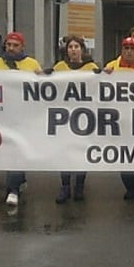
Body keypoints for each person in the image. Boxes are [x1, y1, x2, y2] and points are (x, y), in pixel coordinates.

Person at [0, 31, 43, 207]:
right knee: (12, 151)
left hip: (25, 116)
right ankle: (15, 185)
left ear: (23, 46)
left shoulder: (32, 64)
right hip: (3, 116)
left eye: (15, 45)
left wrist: (42, 77)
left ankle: (14, 186)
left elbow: (42, 89)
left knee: (18, 150)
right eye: (8, 45)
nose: (11, 48)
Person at [49, 35, 100, 203]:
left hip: (85, 118)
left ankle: (79, 185)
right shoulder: (59, 67)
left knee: (81, 152)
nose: (73, 50)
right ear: (67, 50)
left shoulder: (92, 67)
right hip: (64, 118)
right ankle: (65, 186)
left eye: (76, 47)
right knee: (64, 153)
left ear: (82, 50)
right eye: (70, 47)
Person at [104, 37, 134, 200]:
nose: (129, 51)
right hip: (121, 121)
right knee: (124, 156)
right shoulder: (112, 67)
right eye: (126, 48)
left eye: (132, 48)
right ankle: (130, 187)